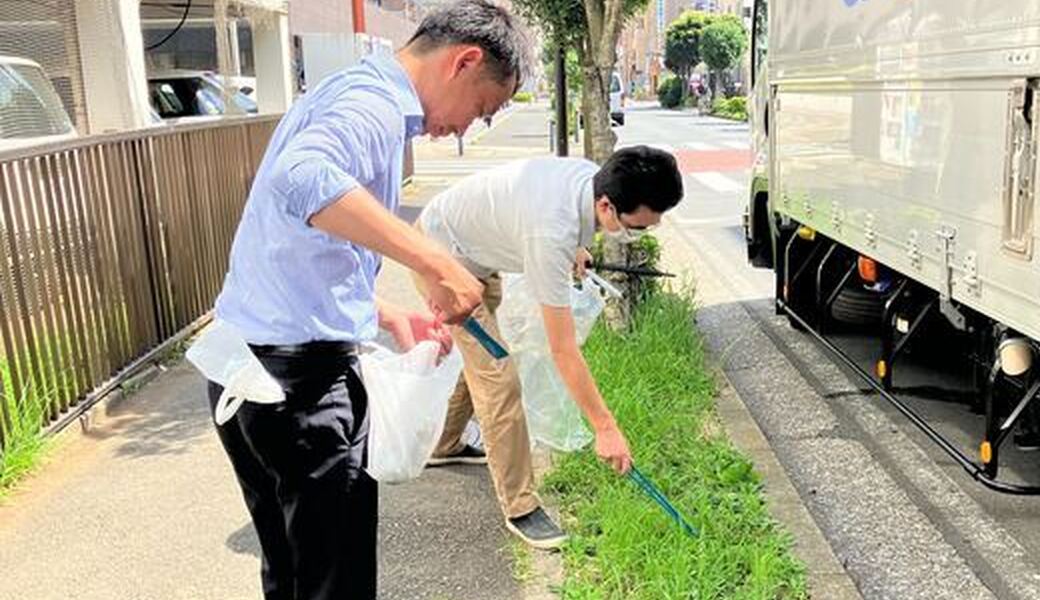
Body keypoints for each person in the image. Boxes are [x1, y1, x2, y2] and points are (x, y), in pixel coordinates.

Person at [206, 2, 528, 599]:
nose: (465, 129)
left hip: (249, 368)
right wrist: (433, 261)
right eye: (480, 109)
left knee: (294, 574)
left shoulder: (352, 89)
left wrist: (385, 313)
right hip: (297, 385)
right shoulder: (374, 105)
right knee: (334, 582)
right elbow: (300, 179)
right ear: (465, 60)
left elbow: (299, 241)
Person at [415, 146, 684, 549]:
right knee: (500, 376)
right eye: (640, 226)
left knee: (484, 362)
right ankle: (521, 506)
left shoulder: (591, 182)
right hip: (440, 262)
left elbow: (558, 223)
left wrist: (576, 249)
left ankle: (444, 443)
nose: (644, 230)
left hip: (475, 257)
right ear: (607, 206)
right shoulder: (550, 231)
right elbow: (563, 350)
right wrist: (605, 429)